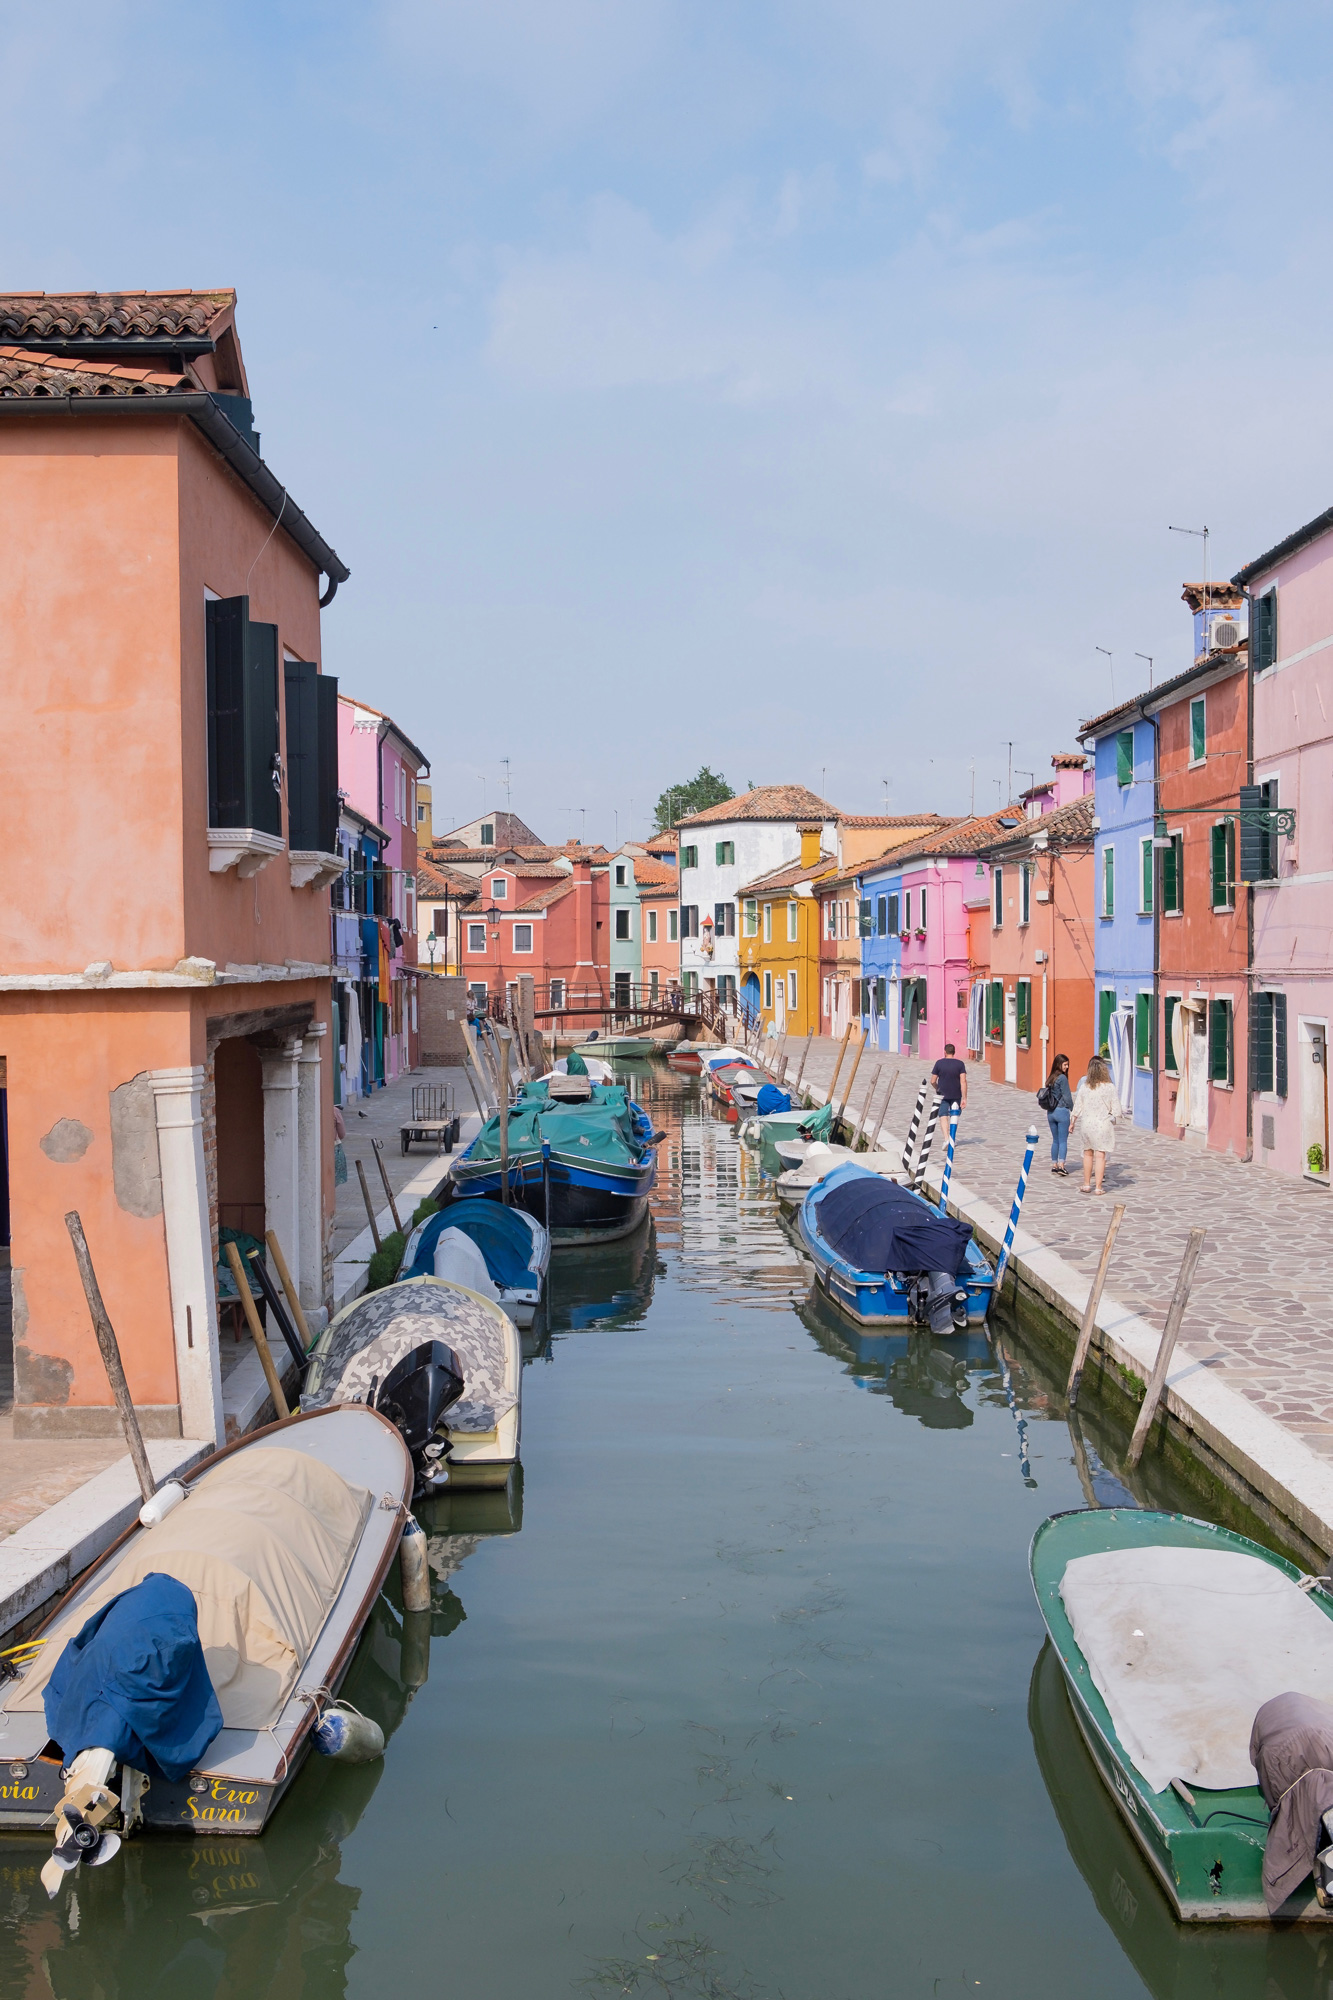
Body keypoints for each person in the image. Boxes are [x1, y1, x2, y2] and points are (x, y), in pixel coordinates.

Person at [1072, 1054, 1119, 1195]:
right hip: (1102, 1124)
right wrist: (1113, 1118)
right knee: (1100, 1156)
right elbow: (1116, 1109)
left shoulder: (1085, 1087)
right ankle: (1098, 1187)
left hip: (1087, 1124)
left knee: (1087, 1154)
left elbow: (1077, 1107)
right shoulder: (1110, 1088)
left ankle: (1086, 1184)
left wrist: (1072, 1122)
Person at [1041, 1054, 1074, 1175]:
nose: (1067, 1067)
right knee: (1063, 1140)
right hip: (1061, 1112)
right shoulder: (1062, 1078)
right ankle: (1061, 1165)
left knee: (1055, 1140)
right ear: (1059, 1064)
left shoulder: (1051, 1078)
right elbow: (1067, 1097)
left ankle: (1054, 1164)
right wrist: (1074, 1111)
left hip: (1051, 1112)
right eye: (1065, 1064)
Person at [930, 1043, 967, 1109]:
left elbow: (933, 1081)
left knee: (943, 1115)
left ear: (945, 1052)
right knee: (955, 1115)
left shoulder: (939, 1063)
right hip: (956, 1094)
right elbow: (963, 1081)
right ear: (954, 1052)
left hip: (942, 1094)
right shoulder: (960, 1064)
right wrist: (964, 1098)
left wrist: (938, 1088)